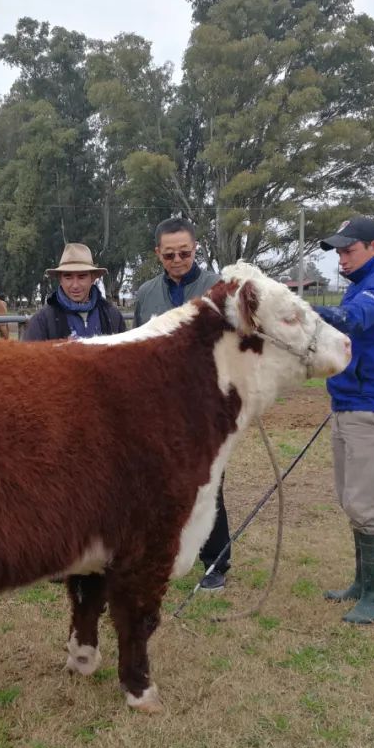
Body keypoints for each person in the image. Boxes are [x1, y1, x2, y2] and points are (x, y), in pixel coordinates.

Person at [314, 216, 374, 625]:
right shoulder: (362, 286)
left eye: (348, 250)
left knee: (365, 501)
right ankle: (361, 582)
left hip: (372, 407)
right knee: (349, 498)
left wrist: (292, 309)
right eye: (338, 251)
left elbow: (350, 321)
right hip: (349, 403)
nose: (341, 258)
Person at [133, 217, 232, 590]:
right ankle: (158, 554)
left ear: (197, 250)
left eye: (185, 253)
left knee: (209, 483)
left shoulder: (217, 288)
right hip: (159, 406)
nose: (178, 260)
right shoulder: (145, 294)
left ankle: (215, 562)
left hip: (206, 404)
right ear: (158, 254)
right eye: (170, 254)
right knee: (157, 483)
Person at [24, 243, 125, 341]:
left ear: (92, 278)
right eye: (68, 277)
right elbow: (29, 356)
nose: (75, 285)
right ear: (60, 279)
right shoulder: (42, 320)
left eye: (82, 277)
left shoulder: (112, 316)